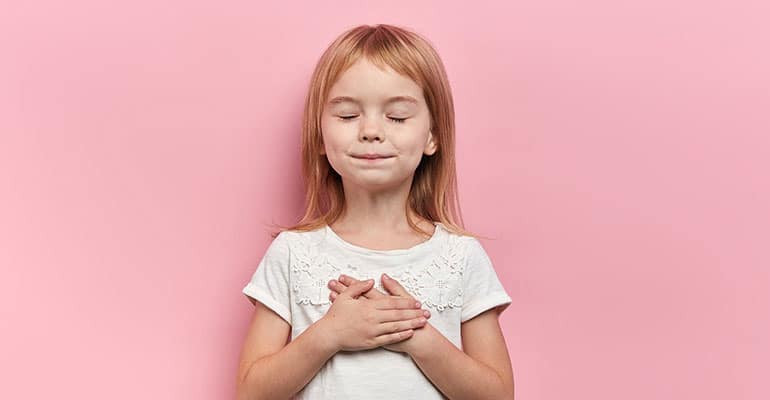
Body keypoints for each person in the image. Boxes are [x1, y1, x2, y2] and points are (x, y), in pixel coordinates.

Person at [236, 23, 515, 400]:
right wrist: (329, 334)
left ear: (433, 136)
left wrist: (416, 336)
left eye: (396, 116)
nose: (370, 131)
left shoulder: (461, 256)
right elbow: (251, 393)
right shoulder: (292, 252)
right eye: (347, 115)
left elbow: (498, 395)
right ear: (320, 136)